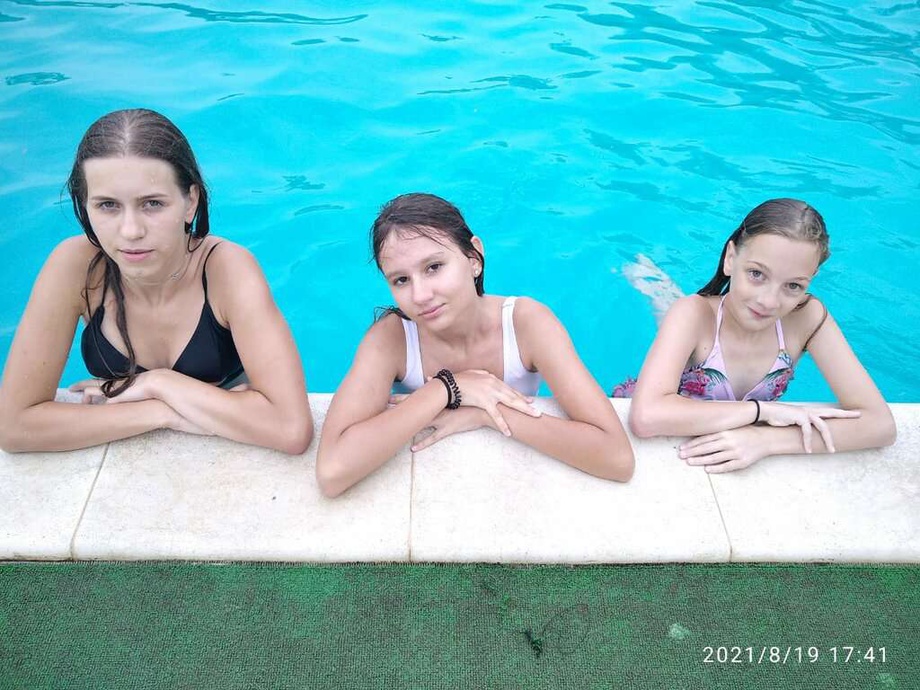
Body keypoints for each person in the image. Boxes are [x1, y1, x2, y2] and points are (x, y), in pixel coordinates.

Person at [0, 109, 312, 453]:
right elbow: (14, 427)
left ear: (190, 202)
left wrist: (158, 383)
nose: (131, 231)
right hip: (221, 417)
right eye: (107, 205)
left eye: (152, 203)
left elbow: (290, 429)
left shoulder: (225, 269)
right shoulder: (76, 266)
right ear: (85, 206)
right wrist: (162, 412)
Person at [316, 193, 634, 496]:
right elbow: (332, 472)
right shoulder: (392, 338)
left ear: (473, 258)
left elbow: (617, 457)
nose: (420, 295)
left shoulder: (526, 325)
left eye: (433, 267)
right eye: (401, 280)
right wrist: (446, 388)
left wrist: (487, 415)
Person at [622, 198, 896, 472]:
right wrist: (760, 411)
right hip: (674, 381)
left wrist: (765, 439)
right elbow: (647, 416)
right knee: (682, 311)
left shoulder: (806, 317)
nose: (769, 301)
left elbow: (880, 425)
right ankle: (656, 285)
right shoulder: (692, 314)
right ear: (730, 259)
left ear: (811, 279)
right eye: (756, 274)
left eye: (793, 285)